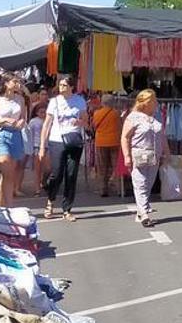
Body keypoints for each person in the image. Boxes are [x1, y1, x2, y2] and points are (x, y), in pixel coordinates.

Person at [40, 76, 88, 222]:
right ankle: (50, 199)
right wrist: (42, 146)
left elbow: (86, 121)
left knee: (71, 175)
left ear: (71, 87)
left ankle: (67, 209)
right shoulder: (54, 102)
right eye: (60, 85)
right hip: (57, 140)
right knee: (57, 174)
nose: (62, 88)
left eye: (65, 85)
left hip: (73, 140)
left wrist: (79, 121)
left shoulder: (79, 101)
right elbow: (47, 124)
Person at [122, 90, 165, 227]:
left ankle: (140, 212)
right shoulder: (132, 117)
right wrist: (127, 156)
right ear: (146, 103)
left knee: (148, 184)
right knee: (140, 183)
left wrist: (166, 153)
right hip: (139, 155)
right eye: (153, 101)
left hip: (155, 156)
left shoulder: (157, 116)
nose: (156, 103)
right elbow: (125, 137)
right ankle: (144, 214)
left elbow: (162, 135)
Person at [0, 76, 28, 208]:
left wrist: (21, 122)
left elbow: (23, 118)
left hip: (16, 136)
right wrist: (4, 120)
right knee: (7, 170)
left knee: (7, 175)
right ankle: (10, 206)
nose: (17, 84)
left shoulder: (20, 99)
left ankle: (1, 207)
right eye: (14, 81)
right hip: (1, 135)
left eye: (18, 81)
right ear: (6, 83)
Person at [92, 95, 122, 197]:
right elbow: (120, 126)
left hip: (101, 142)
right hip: (115, 141)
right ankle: (119, 189)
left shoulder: (96, 114)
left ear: (102, 102)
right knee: (116, 166)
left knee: (102, 167)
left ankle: (103, 189)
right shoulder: (116, 114)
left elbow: (94, 126)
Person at [26, 103, 47, 197]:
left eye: (45, 111)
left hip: (49, 145)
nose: (43, 114)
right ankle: (37, 189)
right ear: (37, 112)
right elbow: (29, 135)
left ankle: (44, 181)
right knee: (37, 169)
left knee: (48, 168)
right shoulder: (33, 121)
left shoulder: (50, 120)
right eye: (41, 112)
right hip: (37, 146)